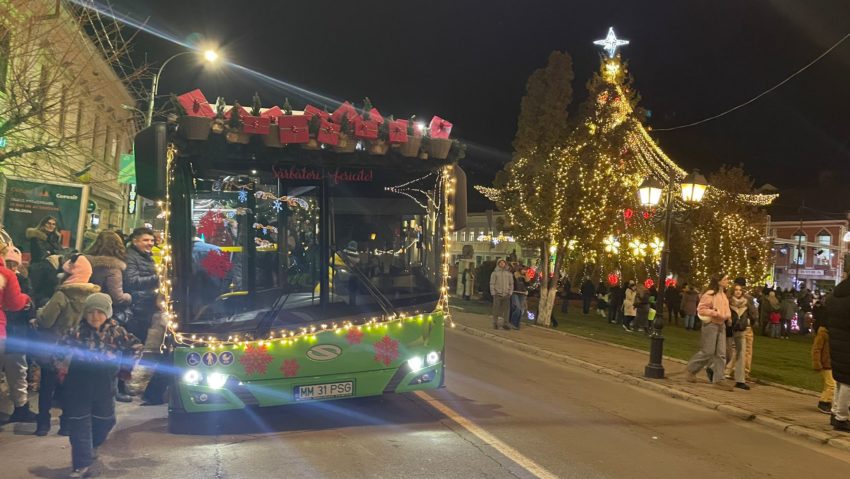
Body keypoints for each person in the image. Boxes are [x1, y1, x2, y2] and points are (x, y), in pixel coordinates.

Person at [55, 293, 141, 478]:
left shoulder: (116, 332)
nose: (95, 316)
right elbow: (58, 350)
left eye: (100, 312)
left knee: (106, 419)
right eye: (91, 312)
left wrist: (126, 368)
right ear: (85, 314)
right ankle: (81, 464)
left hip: (104, 382)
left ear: (107, 313)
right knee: (79, 423)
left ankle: (92, 444)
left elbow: (135, 347)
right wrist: (61, 368)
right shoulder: (76, 331)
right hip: (78, 382)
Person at [34, 254, 100, 436]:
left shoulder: (62, 294)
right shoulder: (93, 297)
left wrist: (39, 311)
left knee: (47, 385)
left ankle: (43, 424)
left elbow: (46, 320)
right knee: (69, 388)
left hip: (55, 347)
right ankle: (66, 425)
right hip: (77, 349)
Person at [87, 231, 134, 403]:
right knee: (117, 351)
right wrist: (130, 296)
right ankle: (115, 389)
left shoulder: (88, 262)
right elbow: (118, 297)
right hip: (108, 313)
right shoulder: (114, 267)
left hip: (89, 310)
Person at [0, 243, 35, 422]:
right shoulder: (7, 277)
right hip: (6, 332)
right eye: (9, 262)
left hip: (14, 334)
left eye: (15, 264)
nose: (12, 267)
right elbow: (16, 303)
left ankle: (21, 408)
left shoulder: (21, 280)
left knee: (17, 371)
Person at [686, 273, 734, 391]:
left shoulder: (723, 295)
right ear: (719, 282)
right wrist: (715, 313)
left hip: (721, 325)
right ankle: (692, 369)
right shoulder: (710, 294)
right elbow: (701, 309)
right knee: (708, 351)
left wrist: (728, 317)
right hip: (711, 324)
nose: (727, 281)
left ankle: (719, 380)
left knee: (721, 353)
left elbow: (727, 309)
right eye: (725, 279)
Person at [826, 275, 850, 431]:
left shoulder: (836, 293)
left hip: (836, 339)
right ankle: (842, 417)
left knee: (840, 379)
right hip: (847, 341)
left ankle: (835, 412)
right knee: (847, 381)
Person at [725, 278, 757, 383]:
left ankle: (731, 371)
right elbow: (753, 313)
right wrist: (751, 322)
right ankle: (742, 372)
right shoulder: (747, 299)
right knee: (745, 350)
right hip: (743, 327)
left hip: (736, 327)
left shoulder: (729, 298)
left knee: (737, 350)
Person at [812, 312, 834, 414]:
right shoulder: (823, 334)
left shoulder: (830, 334)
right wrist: (817, 363)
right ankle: (824, 402)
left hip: (830, 363)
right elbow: (816, 349)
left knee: (829, 384)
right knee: (831, 385)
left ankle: (826, 401)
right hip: (825, 364)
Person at [490, 259, 513, 330]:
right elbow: (492, 283)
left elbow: (511, 284)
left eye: (503, 263)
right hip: (497, 294)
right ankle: (495, 323)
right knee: (496, 310)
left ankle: (505, 324)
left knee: (506, 311)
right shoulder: (495, 273)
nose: (502, 264)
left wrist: (510, 292)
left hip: (506, 294)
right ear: (498, 264)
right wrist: (493, 293)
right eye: (501, 262)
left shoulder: (508, 273)